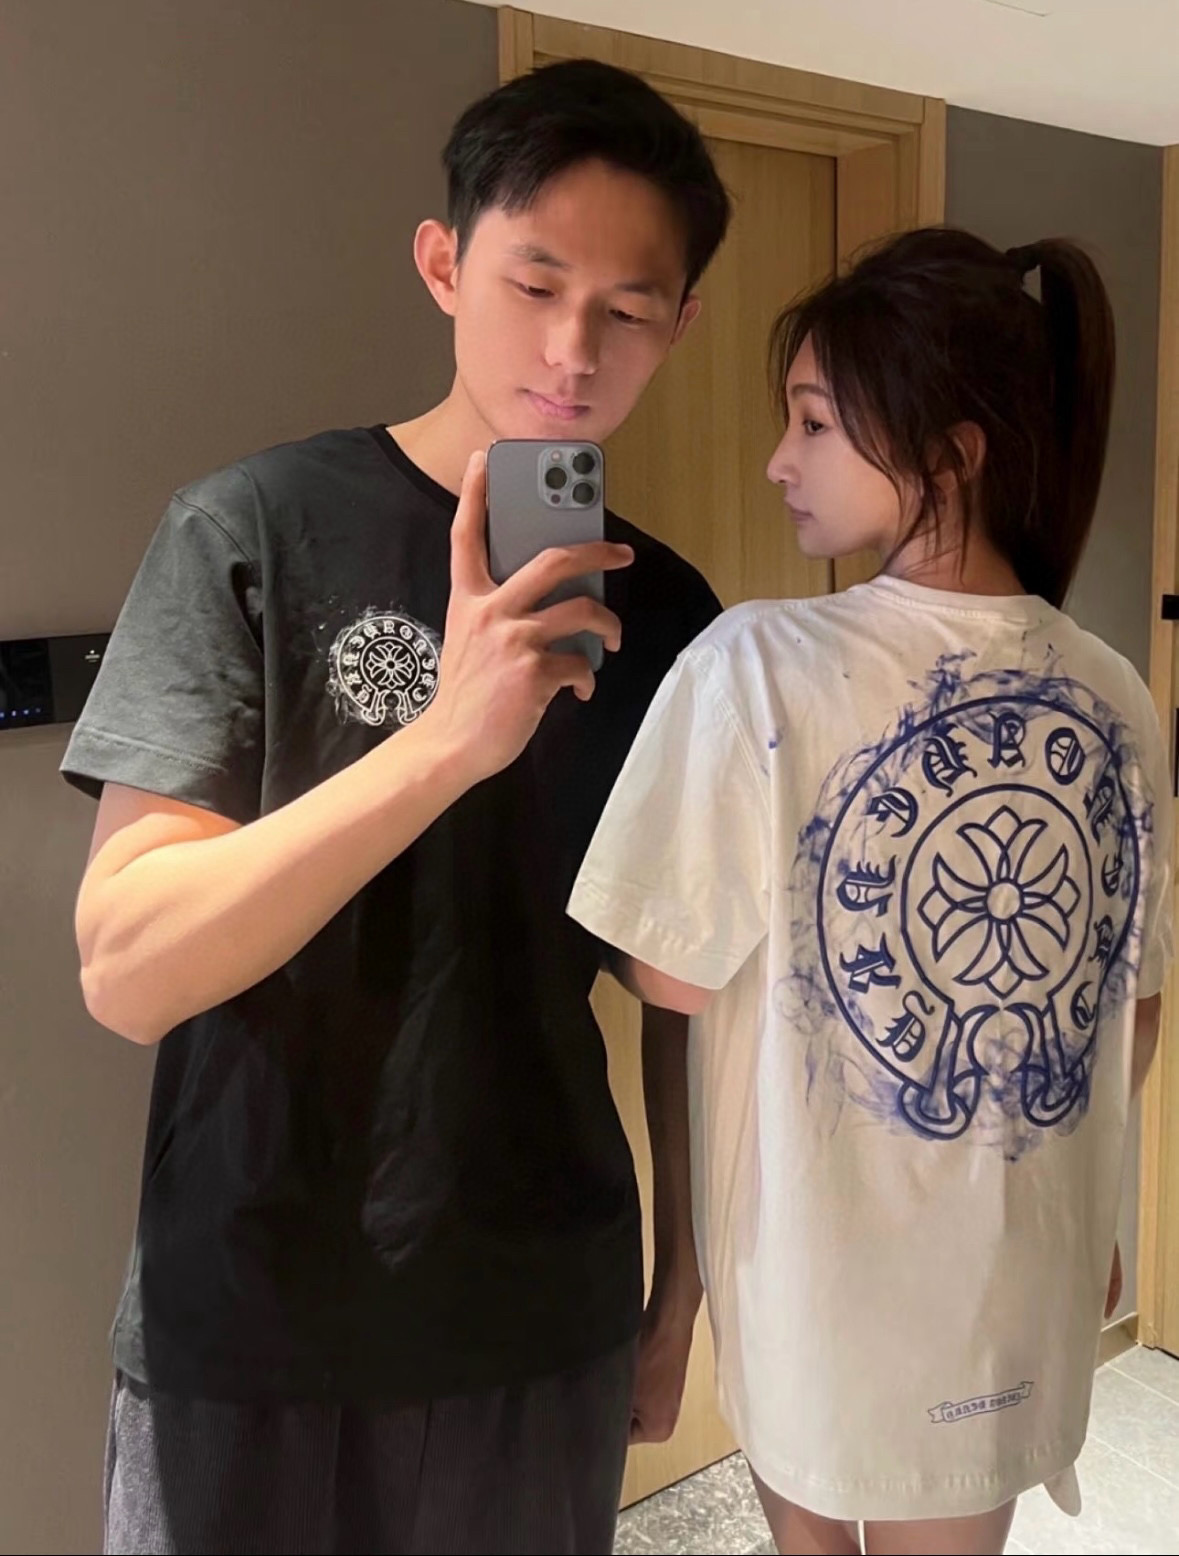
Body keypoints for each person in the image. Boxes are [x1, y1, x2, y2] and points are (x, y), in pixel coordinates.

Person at [64, 59, 730, 1556]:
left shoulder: (672, 613)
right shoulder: (252, 528)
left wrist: (682, 1288)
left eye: (627, 311)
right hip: (249, 1325)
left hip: (537, 1322)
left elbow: (684, 1000)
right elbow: (127, 966)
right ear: (443, 264)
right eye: (534, 284)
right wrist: (448, 740)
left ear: (681, 325)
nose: (573, 350)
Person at [568, 226, 1172, 1555]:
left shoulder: (754, 665)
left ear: (948, 456)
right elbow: (1130, 1004)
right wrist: (1087, 1202)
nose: (779, 462)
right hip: (1016, 1279)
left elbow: (666, 973)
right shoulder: (1117, 691)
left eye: (815, 423)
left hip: (818, 1278)